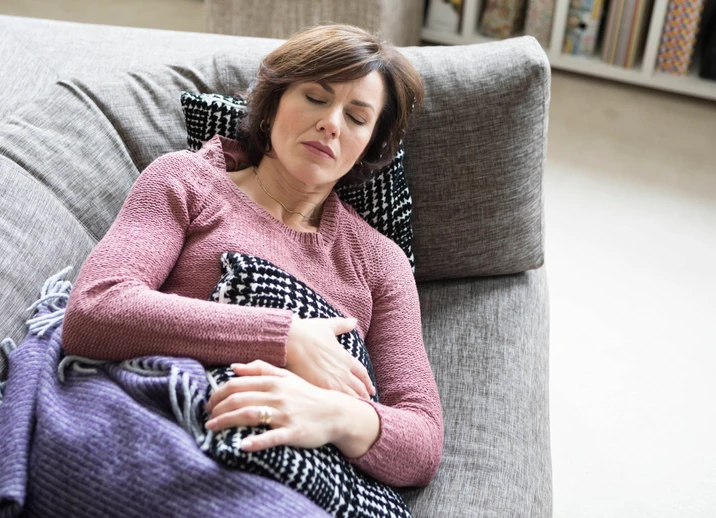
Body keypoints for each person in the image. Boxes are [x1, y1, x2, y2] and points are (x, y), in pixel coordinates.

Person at [62, 24, 442, 488]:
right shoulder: (187, 181)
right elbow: (94, 311)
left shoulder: (381, 263)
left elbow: (422, 441)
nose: (332, 124)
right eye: (317, 98)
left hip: (298, 479)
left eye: (357, 118)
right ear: (273, 104)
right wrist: (285, 338)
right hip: (160, 438)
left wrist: (336, 414)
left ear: (369, 146)